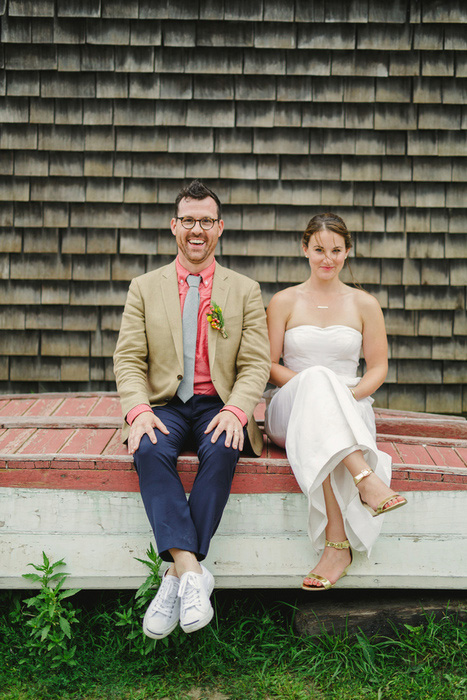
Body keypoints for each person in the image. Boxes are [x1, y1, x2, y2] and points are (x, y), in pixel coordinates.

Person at [113, 180, 270, 636]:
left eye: (206, 220)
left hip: (217, 404)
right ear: (174, 226)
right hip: (163, 402)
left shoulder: (244, 290)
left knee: (223, 449)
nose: (196, 229)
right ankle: (192, 570)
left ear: (219, 228)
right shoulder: (144, 287)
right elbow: (128, 359)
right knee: (147, 450)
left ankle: (174, 578)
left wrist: (239, 410)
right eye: (188, 220)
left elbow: (256, 362)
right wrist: (138, 410)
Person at [264, 212, 407, 591]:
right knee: (316, 381)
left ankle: (336, 545)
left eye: (336, 250)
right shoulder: (283, 301)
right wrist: (316, 386)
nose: (327, 258)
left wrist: (343, 397)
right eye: (319, 249)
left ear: (347, 252)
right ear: (305, 249)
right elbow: (270, 366)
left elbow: (377, 368)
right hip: (289, 406)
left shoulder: (364, 304)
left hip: (350, 404)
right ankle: (365, 478)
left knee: (324, 414)